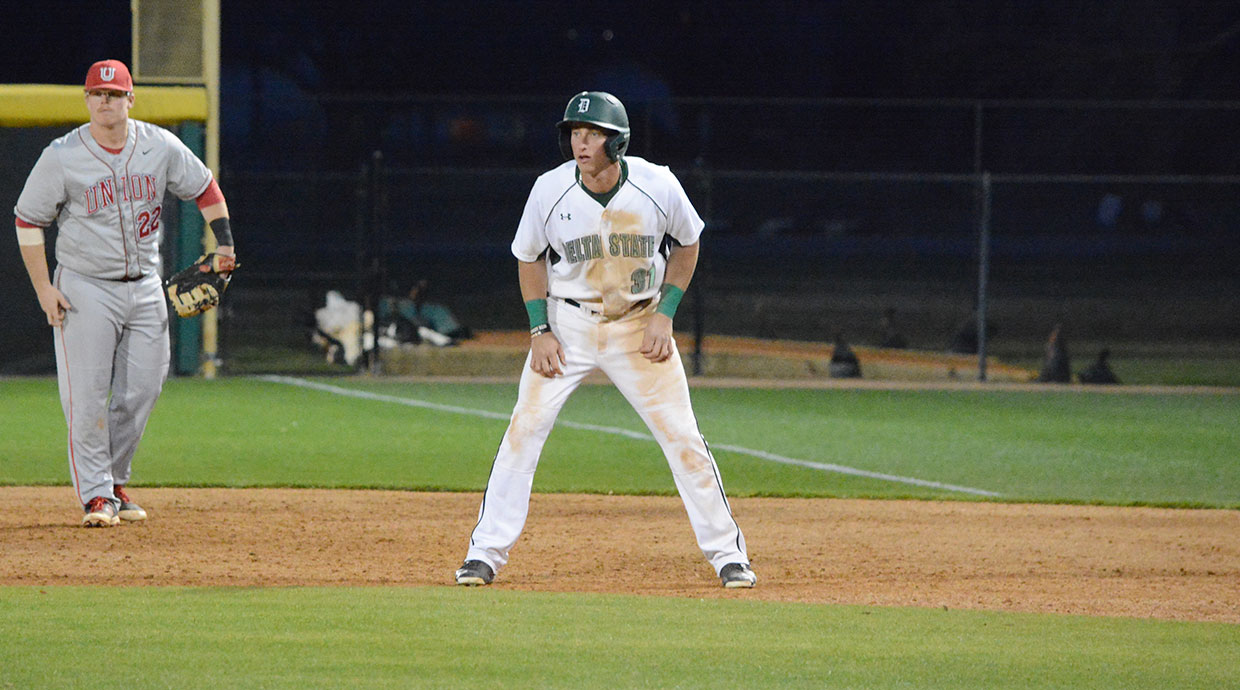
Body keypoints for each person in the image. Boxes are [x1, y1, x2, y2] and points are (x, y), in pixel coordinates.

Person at [454, 91, 755, 589]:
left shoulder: (657, 184)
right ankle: (484, 553)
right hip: (568, 325)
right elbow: (528, 257)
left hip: (640, 327)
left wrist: (666, 314)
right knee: (523, 432)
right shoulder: (549, 190)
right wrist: (539, 329)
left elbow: (688, 242)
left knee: (683, 438)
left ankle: (729, 555)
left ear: (618, 142)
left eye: (592, 134)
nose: (581, 142)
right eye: (575, 133)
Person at [14, 60, 236, 527]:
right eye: (97, 94)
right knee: (87, 396)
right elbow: (28, 220)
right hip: (85, 287)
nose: (105, 102)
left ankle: (112, 480)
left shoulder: (159, 145)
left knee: (142, 390)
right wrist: (42, 289)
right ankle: (96, 495)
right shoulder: (62, 155)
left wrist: (226, 242)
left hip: (146, 286)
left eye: (114, 95)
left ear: (130, 100)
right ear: (87, 99)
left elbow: (204, 187)